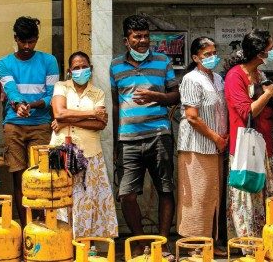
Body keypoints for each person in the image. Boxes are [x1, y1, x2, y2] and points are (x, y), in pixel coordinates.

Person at [110, 15, 179, 261]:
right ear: (126, 39)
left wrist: (155, 97)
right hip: (128, 138)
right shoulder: (115, 66)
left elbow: (175, 95)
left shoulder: (162, 61)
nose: (143, 41)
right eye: (137, 36)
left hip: (159, 135)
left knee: (165, 188)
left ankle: (162, 242)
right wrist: (117, 140)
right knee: (126, 193)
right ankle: (138, 242)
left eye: (146, 36)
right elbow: (116, 105)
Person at [223, 29, 273, 239]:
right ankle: (247, 244)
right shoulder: (235, 76)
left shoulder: (259, 75)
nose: (272, 52)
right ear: (259, 53)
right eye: (270, 49)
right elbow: (247, 111)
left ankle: (265, 241)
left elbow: (267, 110)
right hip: (245, 148)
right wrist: (267, 94)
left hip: (264, 145)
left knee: (266, 197)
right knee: (247, 196)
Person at [0, 16, 59, 224]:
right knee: (19, 177)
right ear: (15, 38)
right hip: (14, 126)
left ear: (37, 38)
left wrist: (30, 106)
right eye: (22, 41)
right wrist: (18, 104)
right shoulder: (3, 63)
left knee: (40, 178)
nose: (26, 46)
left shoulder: (49, 61)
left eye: (31, 41)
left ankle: (41, 224)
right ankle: (26, 229)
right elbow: (11, 89)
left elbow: (51, 96)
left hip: (41, 125)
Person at [50, 51, 118, 238]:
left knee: (88, 200)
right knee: (62, 200)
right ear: (69, 71)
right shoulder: (61, 86)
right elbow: (59, 113)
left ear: (91, 69)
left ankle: (87, 245)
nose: (81, 70)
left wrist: (68, 122)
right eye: (76, 68)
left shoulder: (98, 93)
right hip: (61, 152)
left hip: (90, 154)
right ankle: (62, 244)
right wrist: (91, 113)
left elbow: (100, 124)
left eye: (84, 67)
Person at [176, 37, 228, 256]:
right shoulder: (191, 78)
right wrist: (216, 137)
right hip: (197, 145)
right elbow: (192, 117)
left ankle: (209, 241)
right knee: (197, 197)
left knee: (212, 194)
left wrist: (221, 138)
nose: (212, 57)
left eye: (214, 52)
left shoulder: (217, 78)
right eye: (207, 54)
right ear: (195, 57)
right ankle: (194, 245)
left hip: (217, 144)